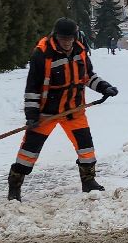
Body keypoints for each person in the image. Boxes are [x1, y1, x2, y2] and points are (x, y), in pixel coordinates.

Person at [8, 17, 119, 201]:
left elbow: (87, 76)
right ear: (55, 36)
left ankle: (88, 181)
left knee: (86, 148)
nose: (66, 42)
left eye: (70, 38)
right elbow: (32, 87)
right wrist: (32, 114)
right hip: (46, 113)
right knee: (29, 151)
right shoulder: (42, 54)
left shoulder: (80, 50)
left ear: (75, 37)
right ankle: (14, 185)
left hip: (74, 110)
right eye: (63, 38)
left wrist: (104, 87)